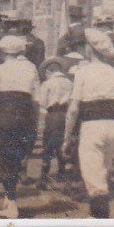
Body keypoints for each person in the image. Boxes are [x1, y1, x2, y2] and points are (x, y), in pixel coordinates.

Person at [62, 28, 114, 219]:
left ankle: (98, 225)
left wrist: (66, 138)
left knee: (95, 183)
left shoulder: (83, 72)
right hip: (113, 125)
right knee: (102, 176)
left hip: (92, 125)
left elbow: (73, 110)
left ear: (90, 49)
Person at [0, 35, 39, 219]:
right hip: (25, 115)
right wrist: (34, 123)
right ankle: (9, 199)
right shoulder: (31, 69)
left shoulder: (0, 70)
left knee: (5, 159)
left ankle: (12, 204)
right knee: (17, 156)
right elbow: (36, 101)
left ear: (5, 53)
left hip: (6, 115)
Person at [37, 56, 72, 189]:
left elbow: (43, 102)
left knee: (48, 146)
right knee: (63, 144)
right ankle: (62, 176)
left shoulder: (48, 83)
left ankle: (44, 179)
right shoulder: (69, 83)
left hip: (53, 115)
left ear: (49, 71)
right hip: (67, 115)